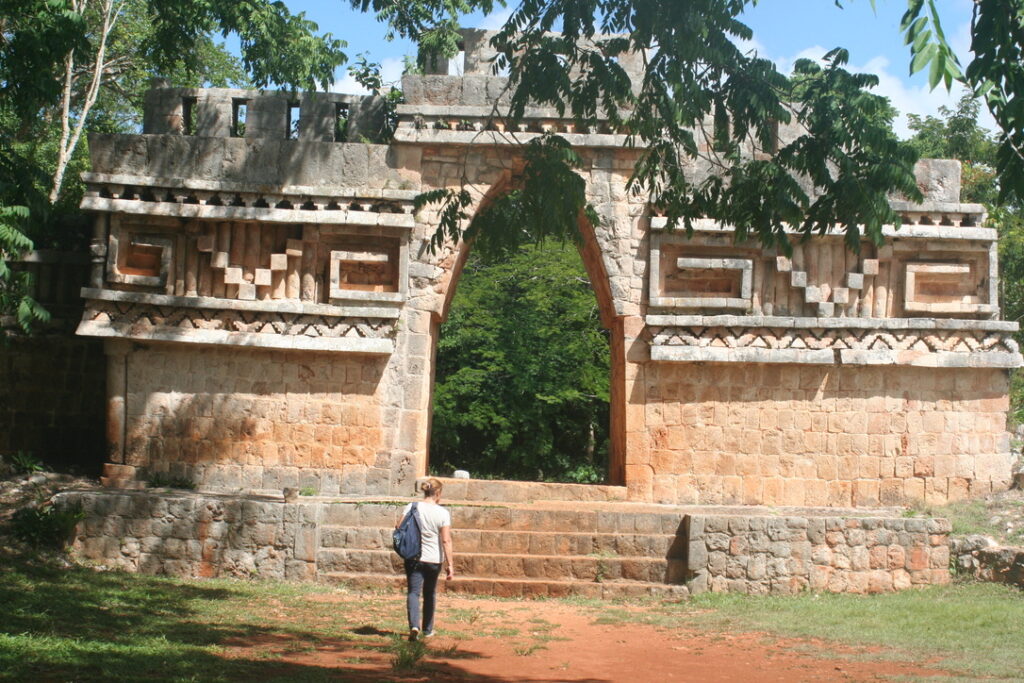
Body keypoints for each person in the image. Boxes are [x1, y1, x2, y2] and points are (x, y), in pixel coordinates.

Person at [396, 477, 454, 641]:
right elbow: (446, 540)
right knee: (429, 593)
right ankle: (428, 629)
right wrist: (451, 565)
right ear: (438, 493)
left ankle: (414, 625)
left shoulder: (412, 507)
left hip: (414, 556)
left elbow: (399, 526)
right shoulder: (442, 513)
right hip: (434, 559)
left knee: (413, 592)